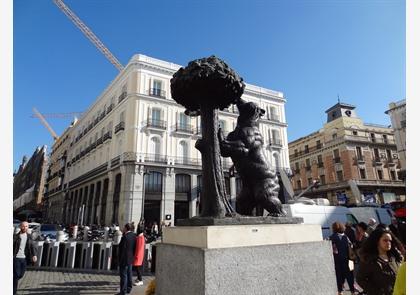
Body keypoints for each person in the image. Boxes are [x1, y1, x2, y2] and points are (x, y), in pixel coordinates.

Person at [356, 227, 403, 295]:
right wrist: (377, 292)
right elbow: (360, 279)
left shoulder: (395, 257)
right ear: (377, 241)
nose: (388, 243)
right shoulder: (369, 259)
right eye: (385, 240)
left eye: (390, 241)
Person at [329, 221, 356, 295]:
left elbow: (331, 248)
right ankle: (353, 291)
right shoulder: (345, 236)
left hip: (338, 260)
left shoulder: (332, 237)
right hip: (349, 260)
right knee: (350, 276)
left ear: (334, 228)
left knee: (339, 276)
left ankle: (340, 291)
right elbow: (351, 246)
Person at [13, 221, 37, 295]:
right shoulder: (15, 236)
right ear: (20, 227)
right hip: (16, 258)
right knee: (16, 275)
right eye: (23, 226)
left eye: (26, 226)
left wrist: (34, 255)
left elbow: (32, 246)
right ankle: (13, 292)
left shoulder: (29, 236)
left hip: (24, 259)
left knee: (21, 274)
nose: (25, 228)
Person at [116, 223, 137, 295]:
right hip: (130, 258)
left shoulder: (125, 237)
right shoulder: (134, 236)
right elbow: (134, 248)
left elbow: (123, 250)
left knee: (124, 275)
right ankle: (129, 288)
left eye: (124, 227)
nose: (123, 228)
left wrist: (120, 260)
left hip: (124, 259)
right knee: (129, 274)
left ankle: (123, 291)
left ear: (126, 228)